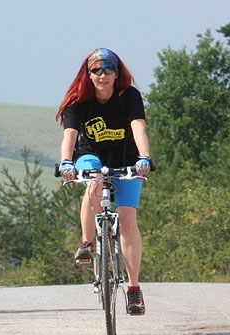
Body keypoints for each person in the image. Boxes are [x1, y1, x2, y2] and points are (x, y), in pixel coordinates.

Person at [56, 48, 152, 316]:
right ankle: (87, 243)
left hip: (127, 157)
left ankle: (134, 289)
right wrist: (65, 162)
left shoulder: (129, 96)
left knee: (128, 220)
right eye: (96, 70)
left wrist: (144, 157)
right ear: (88, 74)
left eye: (108, 69)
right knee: (95, 182)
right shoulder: (79, 99)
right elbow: (70, 134)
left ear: (116, 73)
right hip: (89, 154)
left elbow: (138, 127)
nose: (102, 75)